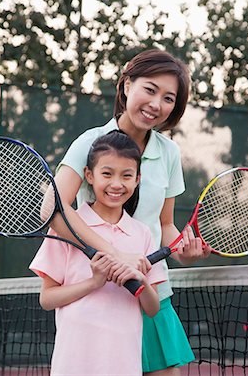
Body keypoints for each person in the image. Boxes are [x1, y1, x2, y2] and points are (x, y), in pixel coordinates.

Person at [51, 48, 211, 375]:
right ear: (126, 86)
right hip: (98, 293)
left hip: (151, 291)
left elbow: (164, 225)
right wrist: (114, 255)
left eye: (168, 98)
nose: (156, 104)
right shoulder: (89, 142)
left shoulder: (168, 152)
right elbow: (53, 211)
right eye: (149, 90)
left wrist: (183, 253)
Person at [29, 131, 166, 376]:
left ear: (138, 179)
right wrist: (93, 282)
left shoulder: (143, 234)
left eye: (126, 175)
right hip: (72, 365)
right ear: (89, 176)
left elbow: (153, 308)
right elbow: (47, 299)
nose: (116, 184)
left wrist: (142, 279)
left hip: (124, 365)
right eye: (107, 173)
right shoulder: (67, 230)